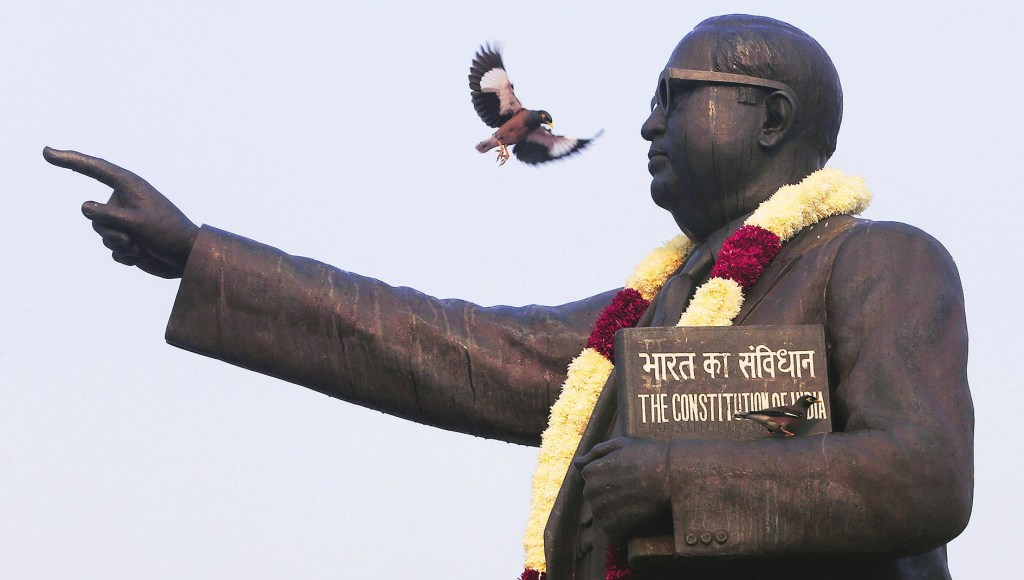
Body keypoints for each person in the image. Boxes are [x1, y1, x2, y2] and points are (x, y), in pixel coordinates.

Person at [45, 14, 972, 580]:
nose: (649, 121)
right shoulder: (642, 318)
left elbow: (925, 474)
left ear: (771, 115)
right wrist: (203, 257)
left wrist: (675, 479)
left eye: (676, 96)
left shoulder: (879, 262)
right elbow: (437, 345)